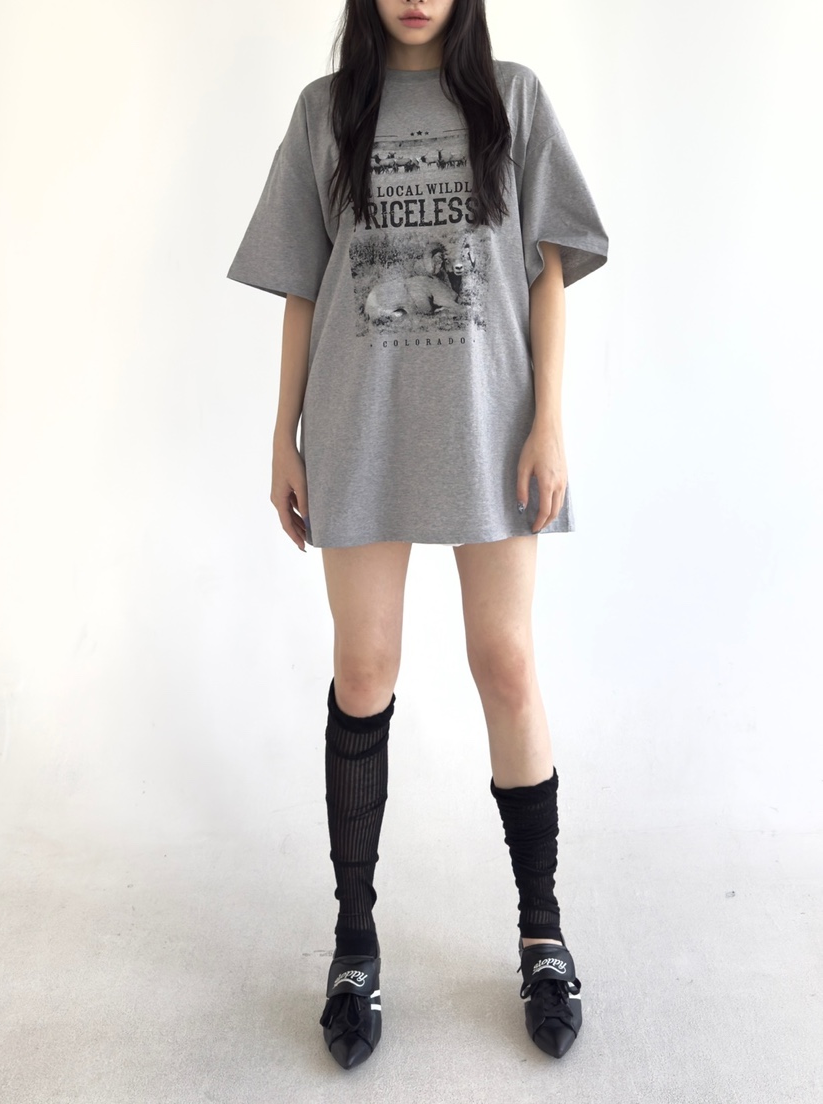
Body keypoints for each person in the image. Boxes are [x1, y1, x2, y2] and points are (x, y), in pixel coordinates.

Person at [226, 0, 608, 1071]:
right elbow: (304, 286)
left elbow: (547, 269)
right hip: (361, 421)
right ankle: (354, 943)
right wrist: (283, 435)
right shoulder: (326, 112)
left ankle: (541, 932)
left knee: (507, 661)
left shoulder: (513, 101)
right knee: (364, 669)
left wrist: (549, 421)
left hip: (490, 425)